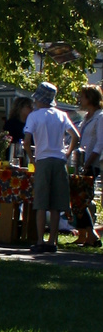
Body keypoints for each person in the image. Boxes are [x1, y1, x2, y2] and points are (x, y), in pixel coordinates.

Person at [23, 81, 79, 253]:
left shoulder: (34, 116)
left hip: (43, 160)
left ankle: (40, 240)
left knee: (41, 203)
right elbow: (75, 136)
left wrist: (32, 159)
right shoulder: (62, 115)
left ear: (39, 99)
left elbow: (26, 142)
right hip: (59, 161)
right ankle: (52, 241)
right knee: (56, 205)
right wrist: (67, 154)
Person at [76, 85, 103, 246]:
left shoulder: (100, 117)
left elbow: (99, 144)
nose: (80, 99)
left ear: (91, 98)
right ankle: (83, 234)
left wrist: (87, 162)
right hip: (80, 162)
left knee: (83, 198)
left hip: (91, 164)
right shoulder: (86, 117)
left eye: (83, 96)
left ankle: (91, 234)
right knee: (77, 197)